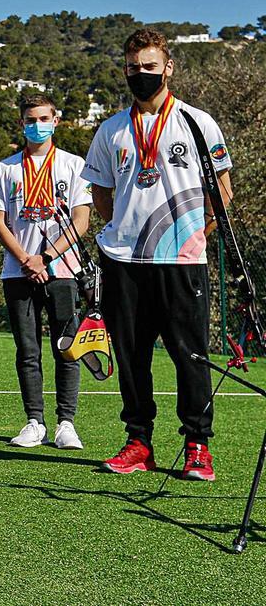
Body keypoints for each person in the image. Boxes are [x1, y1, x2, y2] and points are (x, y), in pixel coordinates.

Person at [83, 28, 233, 481]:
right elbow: (101, 192)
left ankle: (196, 445)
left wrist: (199, 232)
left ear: (168, 67)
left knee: (191, 355)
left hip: (181, 259)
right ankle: (138, 441)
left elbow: (221, 191)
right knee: (131, 355)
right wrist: (117, 230)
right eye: (133, 68)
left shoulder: (196, 122)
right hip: (125, 260)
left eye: (149, 67)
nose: (141, 75)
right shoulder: (111, 129)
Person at [0, 95, 91, 450]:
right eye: (31, 119)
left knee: (67, 348)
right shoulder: (6, 169)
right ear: (21, 124)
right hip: (18, 271)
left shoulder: (74, 164)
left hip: (62, 269)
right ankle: (35, 421)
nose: (38, 124)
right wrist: (25, 259)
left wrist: (45, 257)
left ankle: (67, 422)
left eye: (44, 118)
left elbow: (82, 219)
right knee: (27, 350)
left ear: (56, 120)